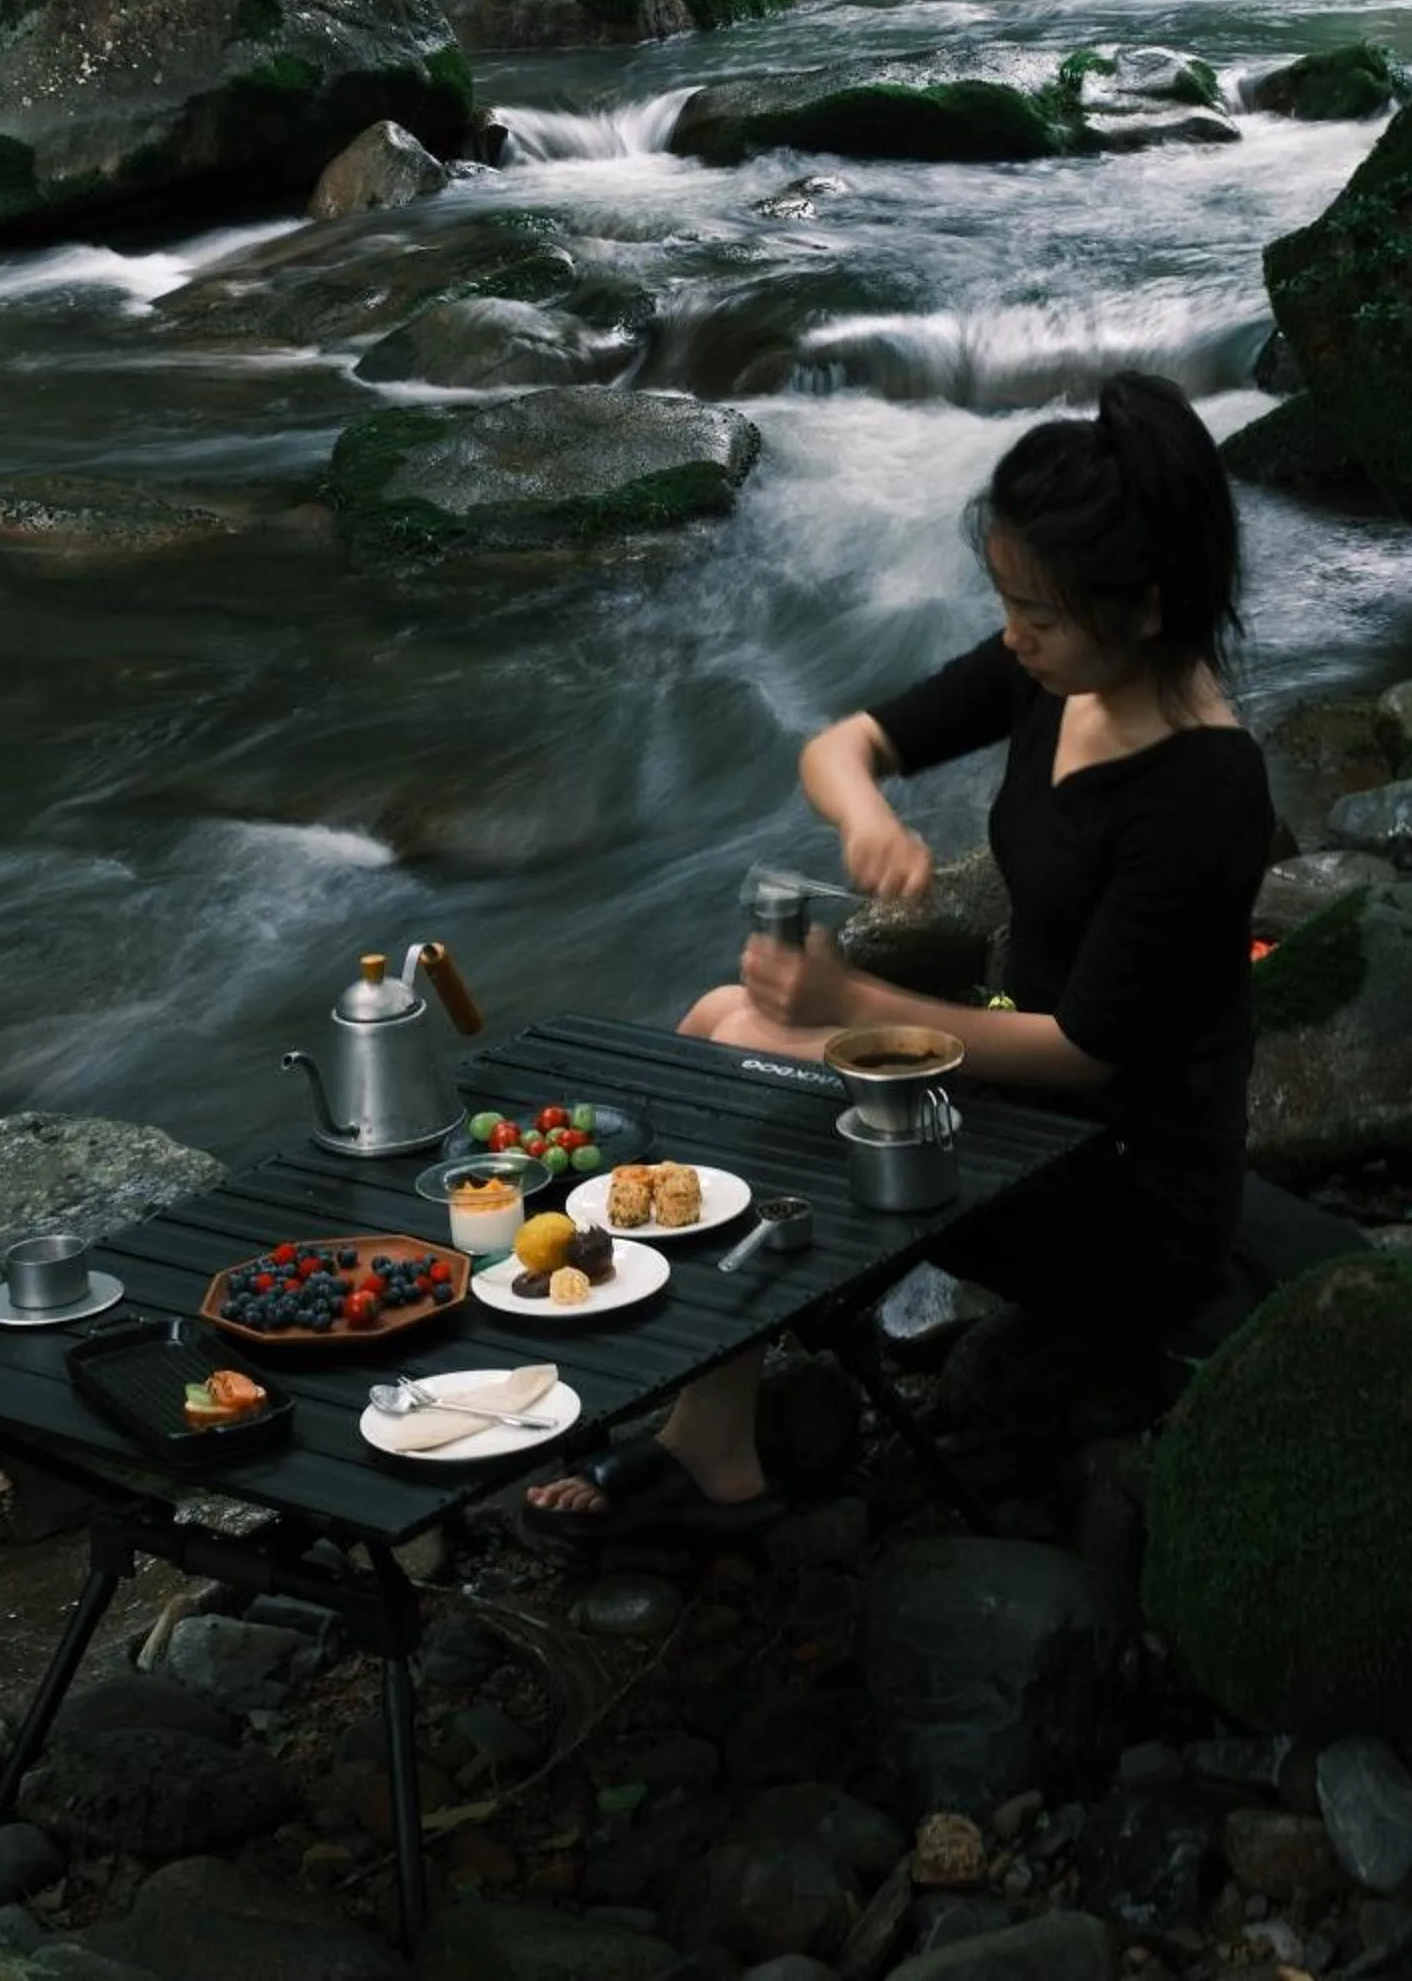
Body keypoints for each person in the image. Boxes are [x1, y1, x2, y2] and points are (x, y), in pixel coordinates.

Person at [526, 368, 1273, 1542]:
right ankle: (695, 1399)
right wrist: (867, 815)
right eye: (1005, 601)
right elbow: (840, 747)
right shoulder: (1056, 675)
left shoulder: (1201, 792)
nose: (1012, 634)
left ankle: (706, 1435)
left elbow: (1086, 1051)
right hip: (1018, 1110)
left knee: (751, 1051)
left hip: (1125, 1189)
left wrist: (852, 1003)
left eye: (1038, 613)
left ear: (1144, 607)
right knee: (724, 1020)